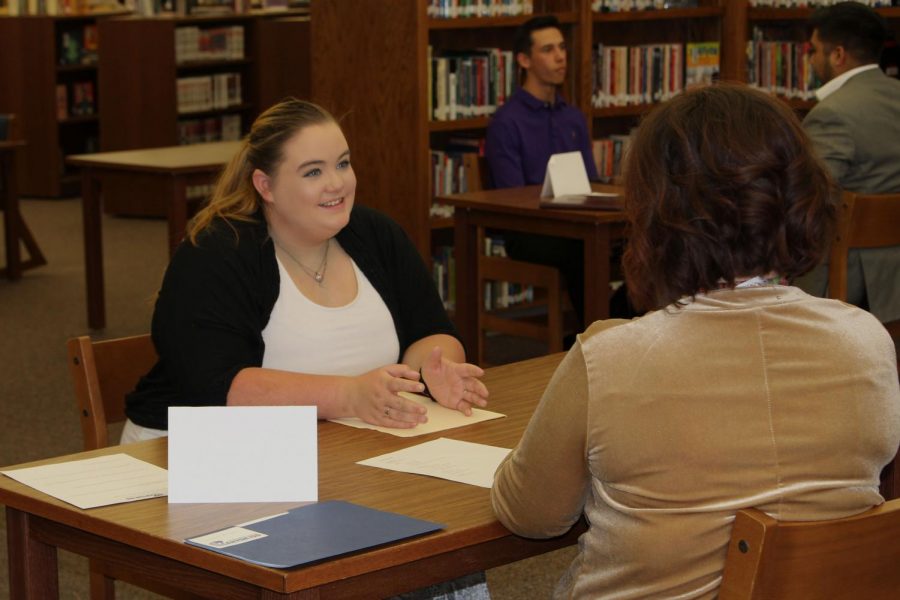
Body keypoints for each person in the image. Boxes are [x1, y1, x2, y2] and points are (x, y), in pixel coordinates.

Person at [491, 83, 900, 599]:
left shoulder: (611, 358)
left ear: (655, 215)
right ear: (800, 199)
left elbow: (531, 514)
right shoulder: (866, 339)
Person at [123, 98, 489, 442]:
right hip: (195, 452)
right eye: (313, 171)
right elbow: (216, 384)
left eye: (343, 163)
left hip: (332, 443)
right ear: (265, 185)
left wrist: (434, 371)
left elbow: (430, 330)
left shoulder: (375, 233)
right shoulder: (218, 251)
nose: (337, 183)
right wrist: (349, 396)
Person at [484, 15, 599, 331]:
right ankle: (596, 333)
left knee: (632, 244)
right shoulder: (507, 122)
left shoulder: (573, 117)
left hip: (578, 223)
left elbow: (591, 180)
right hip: (530, 233)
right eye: (548, 50)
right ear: (524, 60)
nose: (560, 56)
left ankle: (623, 323)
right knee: (584, 250)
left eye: (562, 47)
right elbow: (510, 197)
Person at [793, 1, 900, 324]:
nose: (810, 60)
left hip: (856, 278)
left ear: (837, 55)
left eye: (814, 51)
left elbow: (807, 198)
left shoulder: (832, 114)